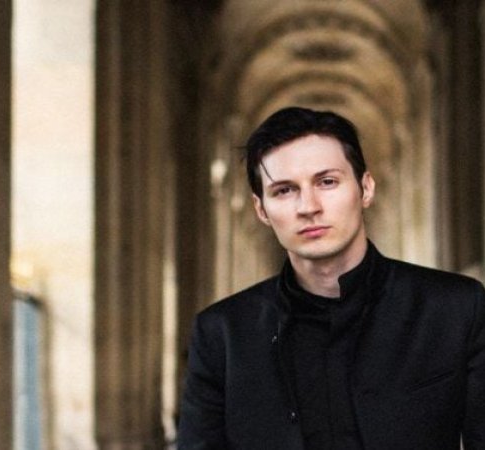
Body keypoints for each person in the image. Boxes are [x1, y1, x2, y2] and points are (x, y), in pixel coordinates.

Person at [177, 106, 485, 449]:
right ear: (261, 209)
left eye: (327, 182)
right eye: (284, 190)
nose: (308, 206)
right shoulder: (220, 334)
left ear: (366, 188)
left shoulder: (457, 309)